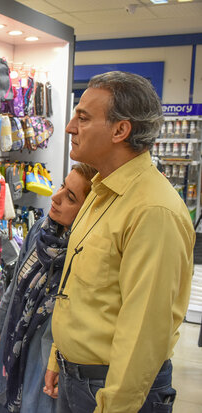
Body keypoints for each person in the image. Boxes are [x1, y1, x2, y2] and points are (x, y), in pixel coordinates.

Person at [42, 71, 195, 413]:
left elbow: (145, 329)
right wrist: (58, 355)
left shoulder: (152, 210)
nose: (69, 127)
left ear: (120, 130)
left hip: (111, 388)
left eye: (83, 117)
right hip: (77, 377)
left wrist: (115, 406)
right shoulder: (100, 191)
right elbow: (80, 289)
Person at [0, 163, 97, 413]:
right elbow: (17, 284)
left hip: (51, 357)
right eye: (62, 187)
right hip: (18, 343)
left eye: (70, 197)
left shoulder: (88, 249)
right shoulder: (42, 230)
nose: (55, 198)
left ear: (89, 211)